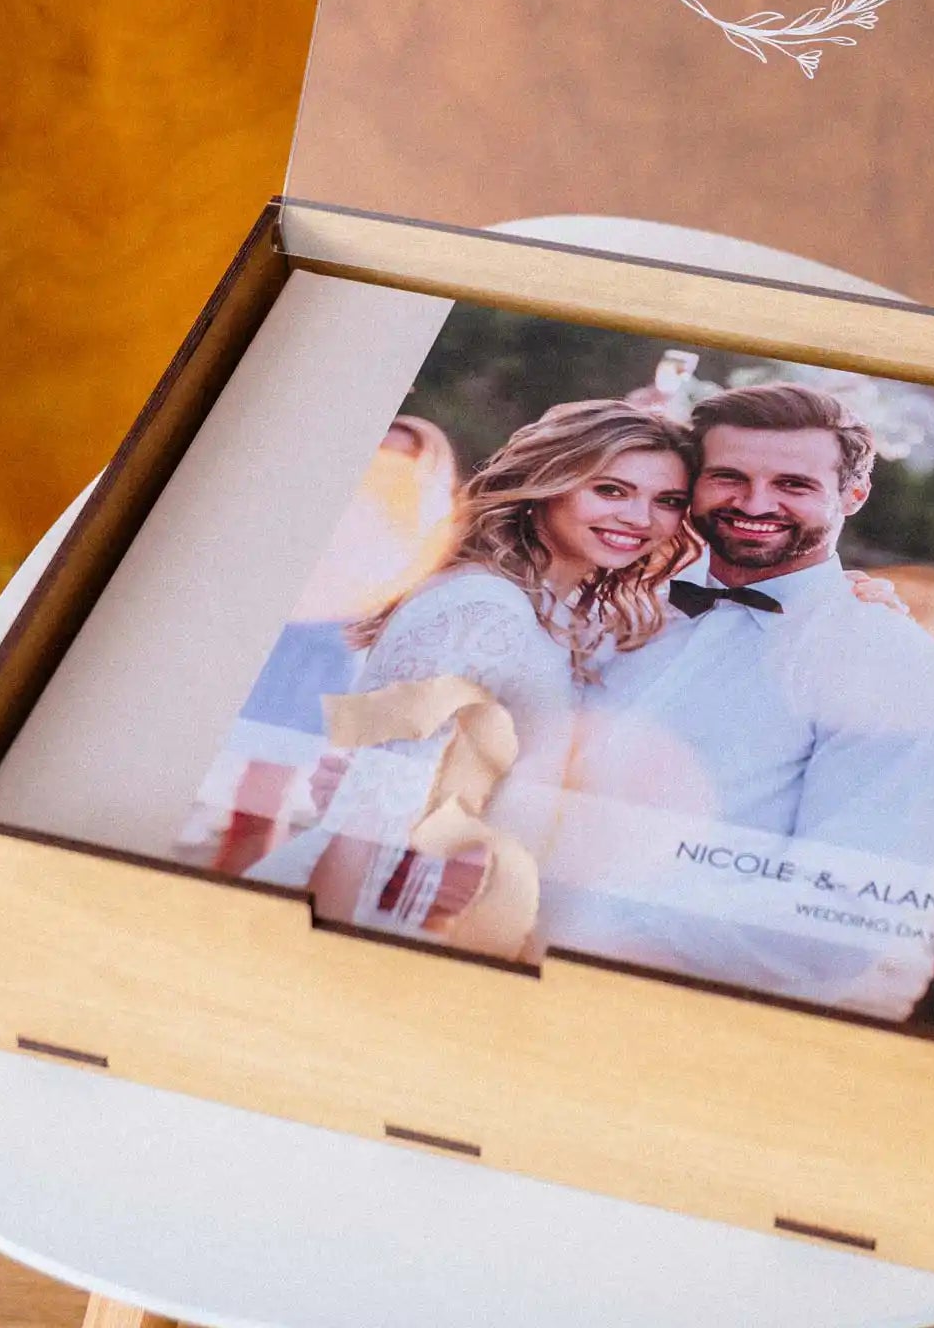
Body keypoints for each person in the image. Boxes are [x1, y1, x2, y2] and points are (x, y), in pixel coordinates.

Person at [561, 381, 934, 1020]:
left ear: (854, 495)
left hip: (665, 1012)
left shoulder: (907, 678)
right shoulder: (621, 600)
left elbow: (831, 925)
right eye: (728, 477)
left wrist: (564, 928)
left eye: (794, 484)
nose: (754, 503)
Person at [244, 400, 695, 957]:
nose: (640, 518)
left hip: (443, 915)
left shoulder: (562, 611)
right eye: (610, 490)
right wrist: (331, 950)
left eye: (667, 501)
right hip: (362, 908)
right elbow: (363, 821)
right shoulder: (483, 607)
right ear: (549, 481)